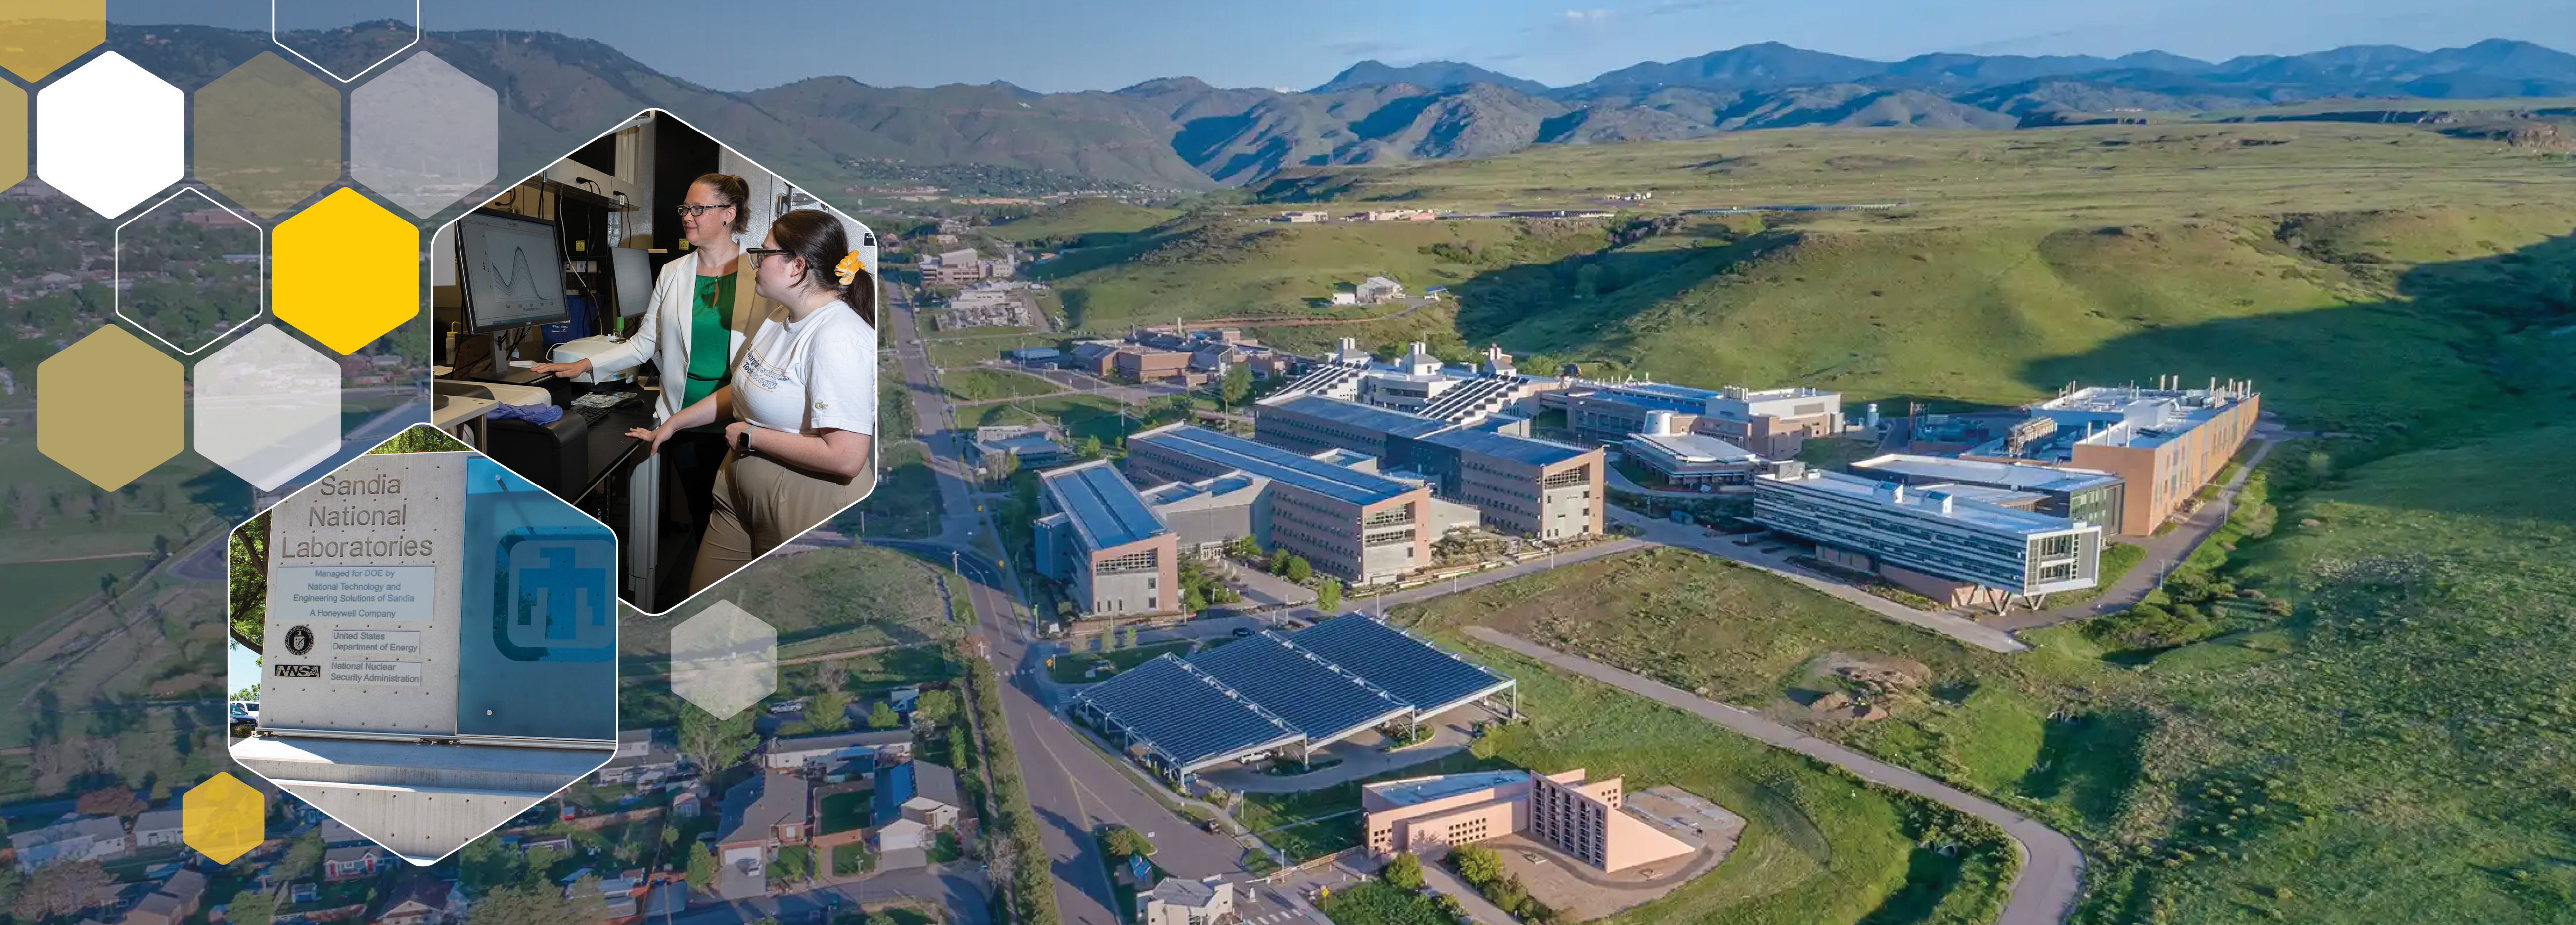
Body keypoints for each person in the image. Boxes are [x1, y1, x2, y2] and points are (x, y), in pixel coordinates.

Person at [531, 174, 773, 578]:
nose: (687, 216)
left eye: (698, 209)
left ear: (728, 214)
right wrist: (585, 364)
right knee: (706, 522)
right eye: (685, 208)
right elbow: (644, 344)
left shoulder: (760, 271)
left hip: (741, 420)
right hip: (684, 420)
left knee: (748, 529)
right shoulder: (673, 272)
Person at [628, 209, 878, 593]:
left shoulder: (838, 338)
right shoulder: (780, 316)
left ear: (797, 266)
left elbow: (846, 456)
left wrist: (750, 437)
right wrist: (675, 422)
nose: (753, 262)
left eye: (763, 254)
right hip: (739, 493)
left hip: (804, 502)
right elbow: (744, 388)